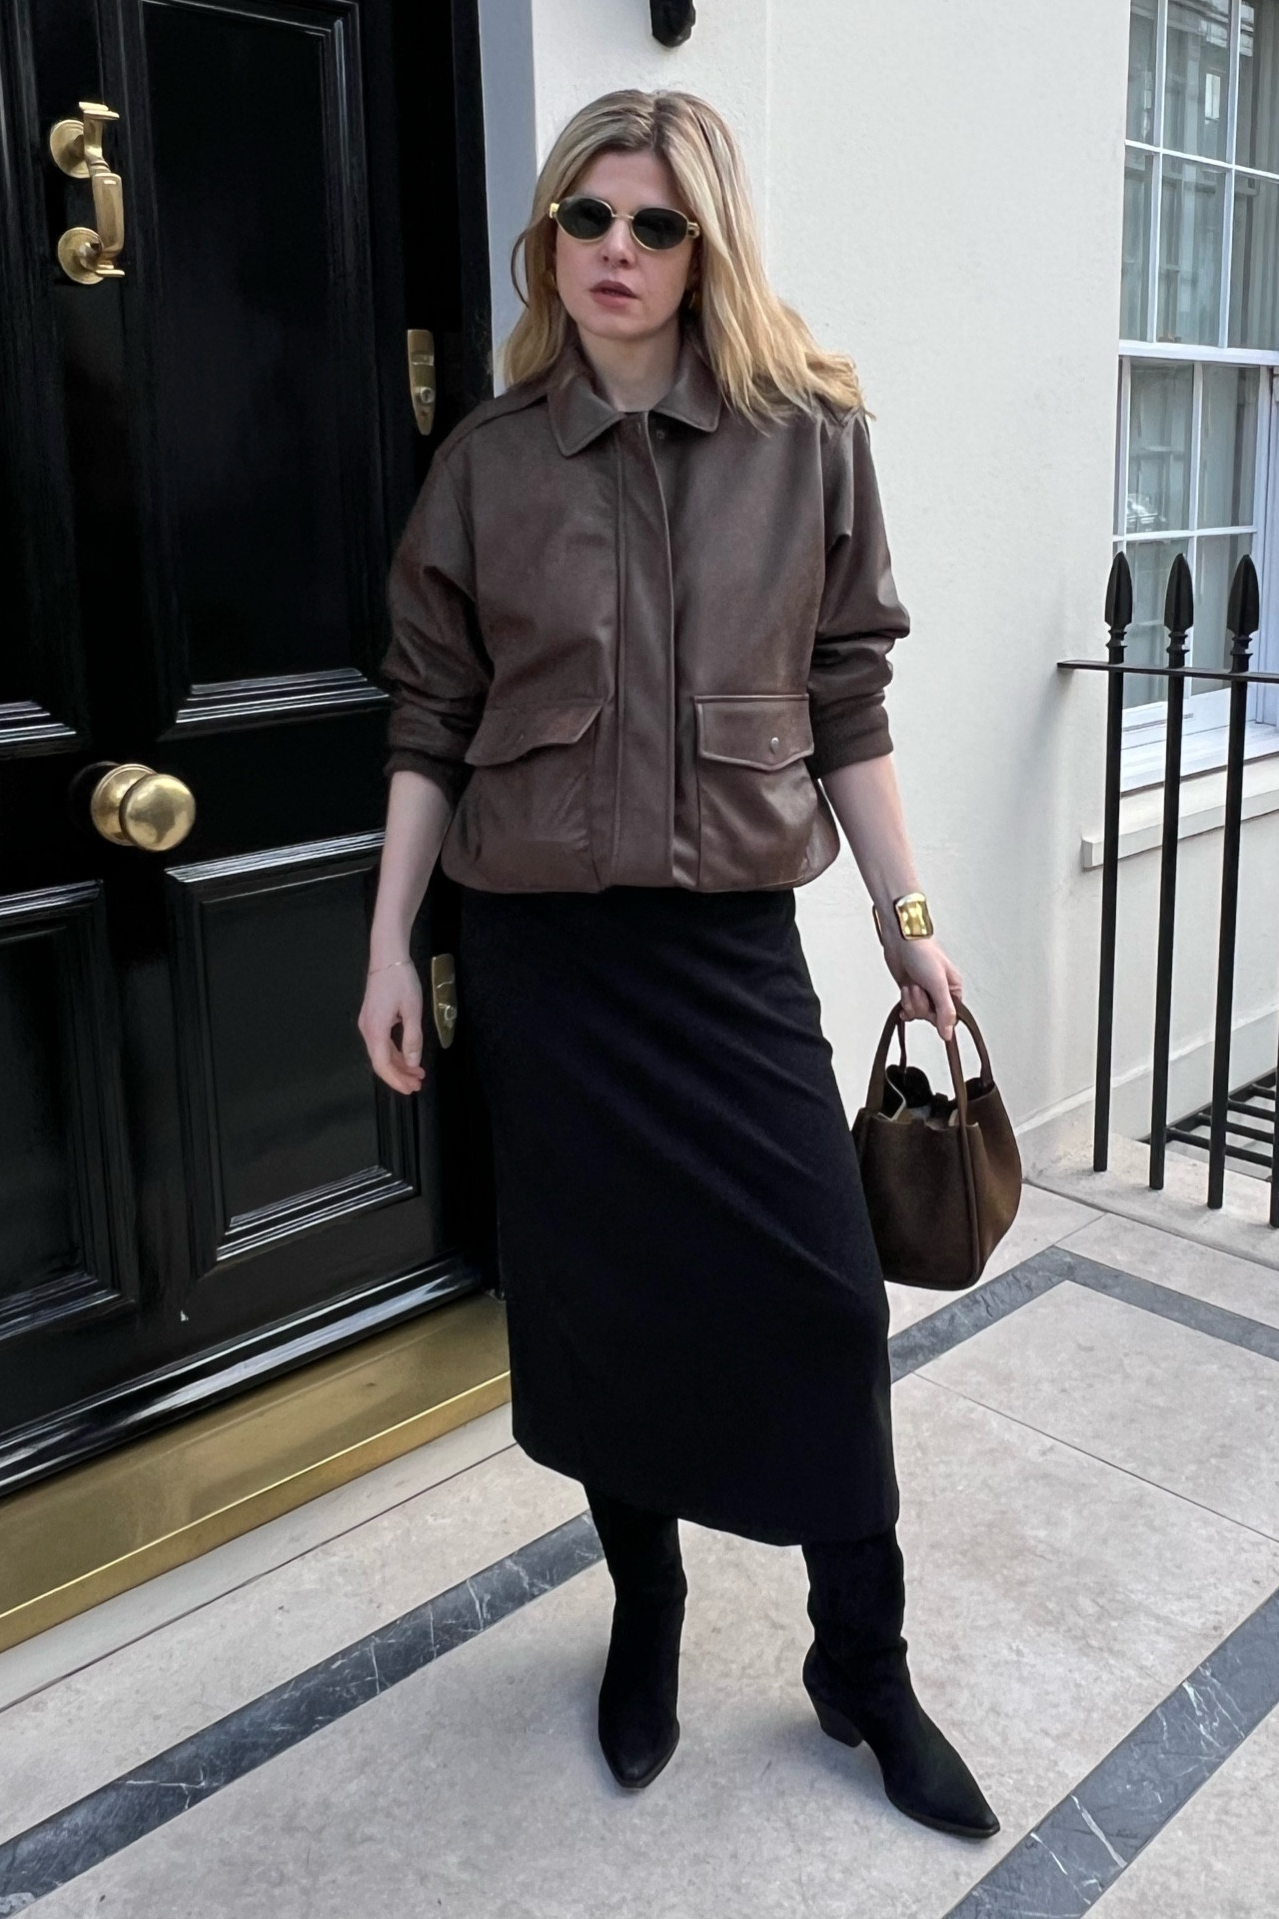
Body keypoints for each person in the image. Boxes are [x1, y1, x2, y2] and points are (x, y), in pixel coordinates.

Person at [357, 88, 997, 1840]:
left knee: (820, 1300)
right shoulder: (489, 462)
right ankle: (645, 1606)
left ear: (706, 245)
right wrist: (390, 947)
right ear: (546, 238)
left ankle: (860, 1668)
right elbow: (432, 718)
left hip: (726, 956)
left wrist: (909, 927)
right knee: (602, 1312)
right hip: (546, 965)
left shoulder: (808, 437)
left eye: (653, 226)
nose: (615, 255)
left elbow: (849, 699)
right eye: (586, 221)